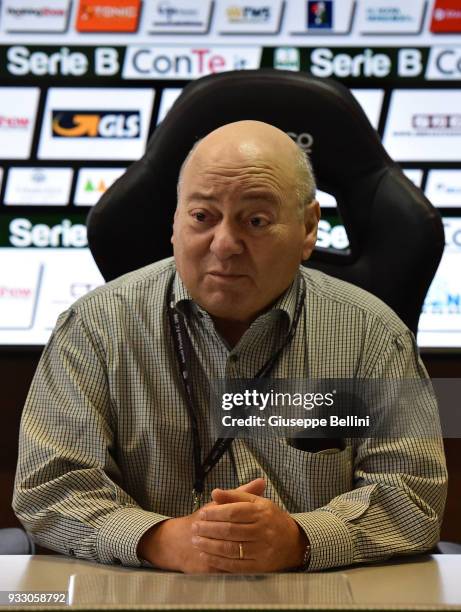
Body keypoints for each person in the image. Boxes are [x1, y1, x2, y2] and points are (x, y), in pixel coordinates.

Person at [13, 120, 447, 573]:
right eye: (202, 217)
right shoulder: (96, 327)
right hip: (146, 594)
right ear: (175, 221)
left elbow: (412, 495)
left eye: (256, 221)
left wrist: (301, 540)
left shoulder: (373, 335)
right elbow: (49, 487)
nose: (224, 244)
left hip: (318, 596)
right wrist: (161, 540)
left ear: (309, 228)